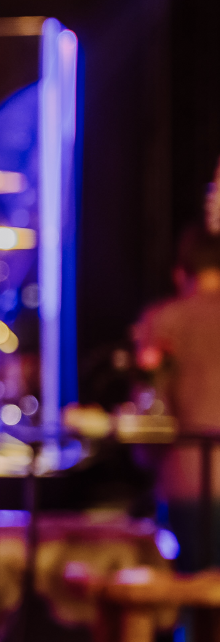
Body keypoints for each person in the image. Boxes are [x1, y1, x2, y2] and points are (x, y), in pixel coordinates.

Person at [133, 226, 220, 570]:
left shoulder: (165, 320)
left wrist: (145, 454)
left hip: (187, 478)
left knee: (192, 585)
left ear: (181, 273)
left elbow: (152, 409)